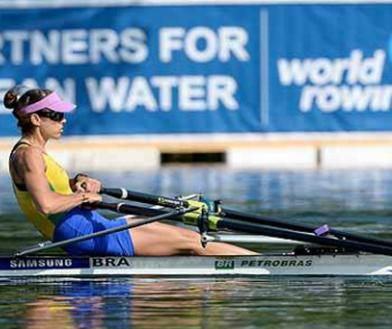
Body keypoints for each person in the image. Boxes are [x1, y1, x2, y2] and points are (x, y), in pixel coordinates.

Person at [5, 85, 256, 256]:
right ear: (37, 120)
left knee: (179, 233)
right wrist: (84, 197)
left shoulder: (33, 154)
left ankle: (258, 259)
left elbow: (51, 187)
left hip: (90, 225)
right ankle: (268, 264)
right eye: (57, 115)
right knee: (189, 241)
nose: (64, 120)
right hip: (80, 234)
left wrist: (77, 182)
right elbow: (46, 205)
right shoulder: (29, 155)